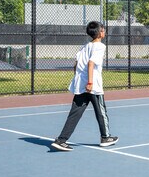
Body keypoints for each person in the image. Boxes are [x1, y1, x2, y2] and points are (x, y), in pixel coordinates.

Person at [51, 21, 119, 151]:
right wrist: (90, 82)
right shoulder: (100, 46)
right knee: (101, 111)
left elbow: (76, 65)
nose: (104, 31)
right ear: (99, 33)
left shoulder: (84, 47)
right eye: (103, 30)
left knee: (74, 114)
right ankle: (105, 137)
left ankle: (61, 140)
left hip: (80, 85)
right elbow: (91, 63)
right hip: (92, 85)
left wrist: (80, 81)